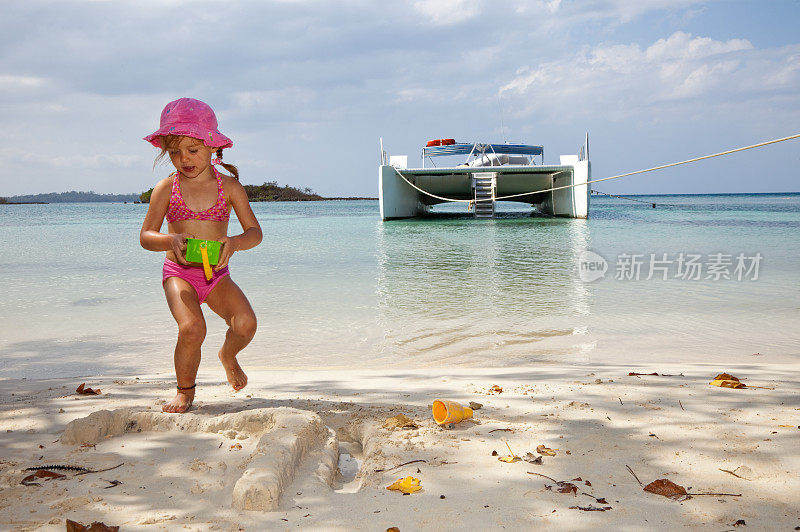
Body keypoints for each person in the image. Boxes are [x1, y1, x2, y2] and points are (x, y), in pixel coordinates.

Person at [140, 98, 262, 413]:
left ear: (212, 147)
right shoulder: (166, 188)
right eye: (175, 152)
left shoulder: (230, 187)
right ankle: (184, 392)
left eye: (192, 150)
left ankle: (228, 355)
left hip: (216, 275)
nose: (184, 159)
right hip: (179, 274)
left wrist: (233, 243)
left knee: (246, 323)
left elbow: (254, 234)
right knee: (193, 328)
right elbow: (146, 237)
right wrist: (169, 239)